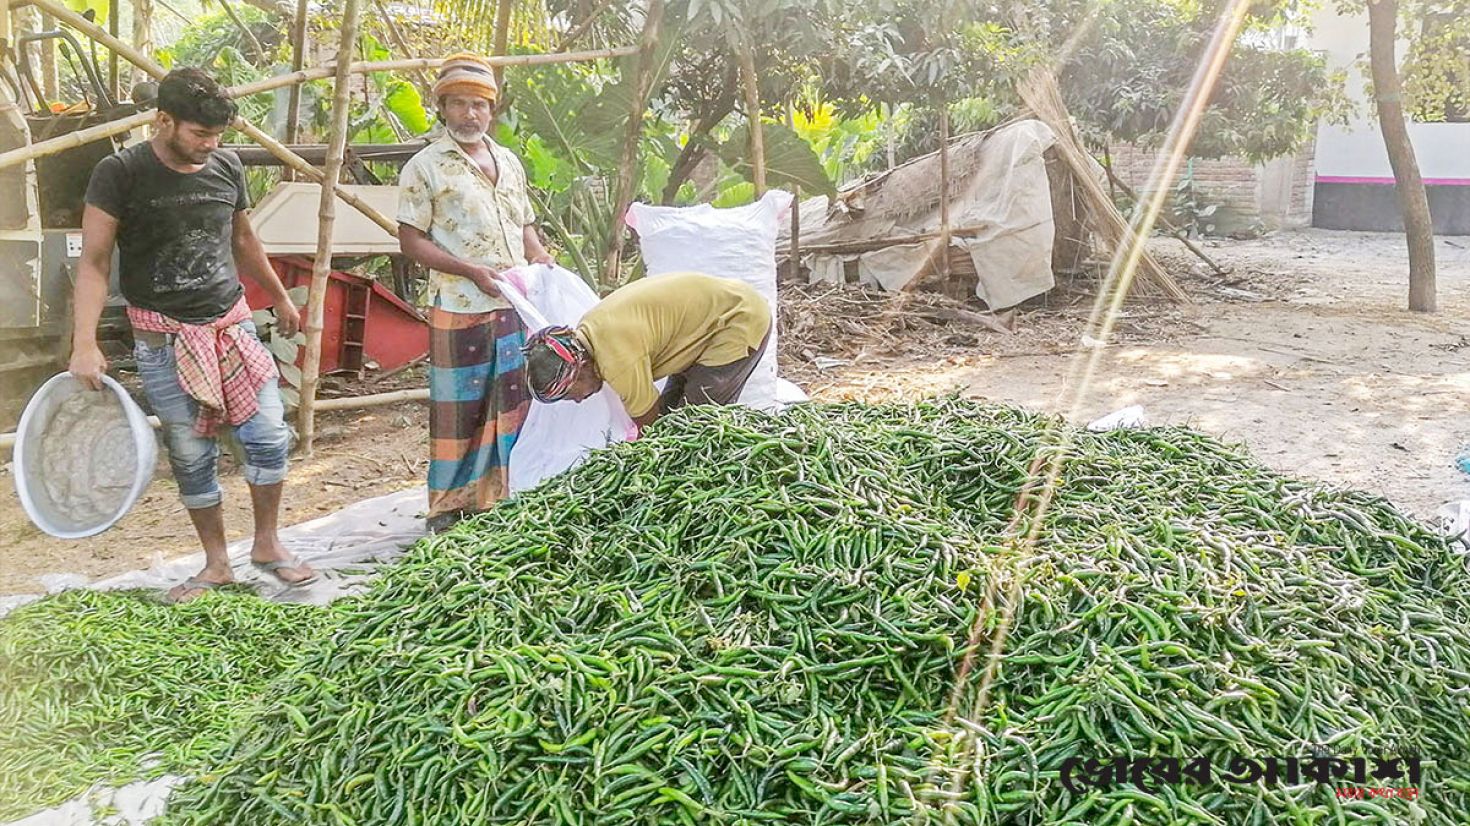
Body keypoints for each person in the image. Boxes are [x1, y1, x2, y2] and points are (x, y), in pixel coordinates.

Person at [69, 67, 315, 602]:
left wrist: (279, 296)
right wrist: (83, 344)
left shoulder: (224, 166)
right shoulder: (120, 173)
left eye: (218, 136)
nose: (210, 146)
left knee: (268, 436)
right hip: (164, 337)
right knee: (189, 451)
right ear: (163, 120)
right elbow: (93, 261)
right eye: (200, 135)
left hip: (231, 324)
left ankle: (268, 545)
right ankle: (216, 563)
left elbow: (244, 239)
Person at [397, 53, 554, 534]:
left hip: (512, 303)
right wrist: (470, 270)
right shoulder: (425, 167)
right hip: (460, 304)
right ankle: (448, 505)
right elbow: (411, 240)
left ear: (492, 110)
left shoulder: (507, 161)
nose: (470, 114)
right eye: (459, 104)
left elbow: (522, 223)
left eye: (479, 106)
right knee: (458, 410)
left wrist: (541, 256)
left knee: (512, 402)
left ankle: (501, 494)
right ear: (441, 108)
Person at [522, 272, 772, 429]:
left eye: (569, 394)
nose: (577, 400)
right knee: (674, 418)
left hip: (736, 320)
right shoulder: (590, 331)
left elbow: (649, 426)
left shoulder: (616, 360)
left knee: (694, 427)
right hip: (703, 332)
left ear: (581, 369)